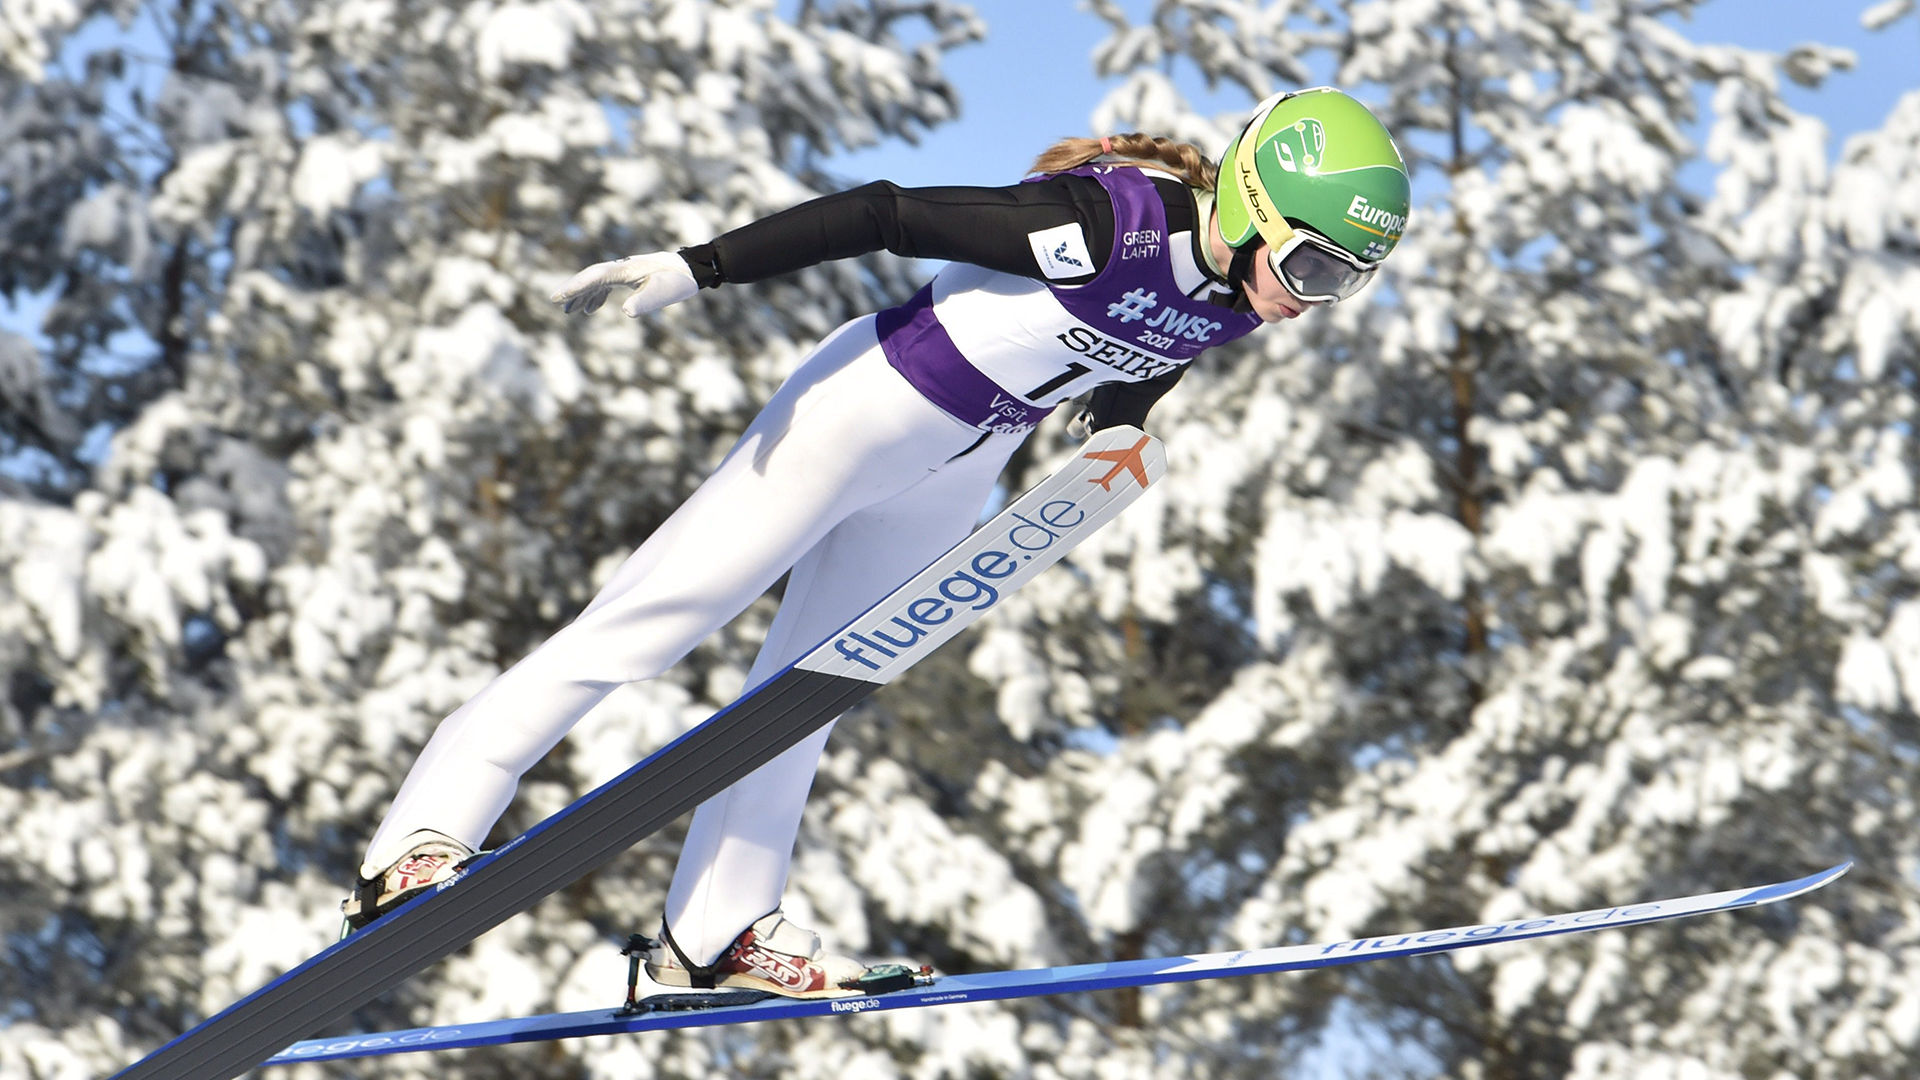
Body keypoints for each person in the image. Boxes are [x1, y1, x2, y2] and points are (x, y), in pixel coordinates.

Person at [340, 87, 1411, 998]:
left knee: (812, 693)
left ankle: (718, 930)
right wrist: (697, 267)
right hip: (862, 412)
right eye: (1314, 269)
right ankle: (419, 842)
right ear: (1253, 203)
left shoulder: (1243, 293)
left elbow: (1156, 344)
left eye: (1346, 282)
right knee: (652, 621)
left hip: (963, 466)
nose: (1313, 300)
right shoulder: (1104, 222)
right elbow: (886, 213)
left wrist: (1117, 429)